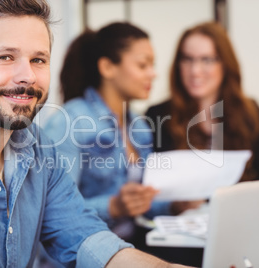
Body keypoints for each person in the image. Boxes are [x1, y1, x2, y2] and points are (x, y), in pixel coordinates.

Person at [0, 1, 191, 267]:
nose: (27, 76)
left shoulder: (38, 145)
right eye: (6, 57)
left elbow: (87, 238)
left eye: (38, 60)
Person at [43, 22, 201, 250]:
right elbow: (55, 211)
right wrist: (113, 206)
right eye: (142, 65)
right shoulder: (68, 122)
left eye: (152, 65)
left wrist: (173, 206)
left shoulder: (139, 126)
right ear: (107, 67)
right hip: (79, 254)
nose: (153, 74)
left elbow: (141, 205)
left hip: (129, 247)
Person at [145, 21, 259, 181]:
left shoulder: (251, 115)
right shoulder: (158, 116)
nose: (195, 71)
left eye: (207, 59)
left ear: (225, 64)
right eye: (187, 59)